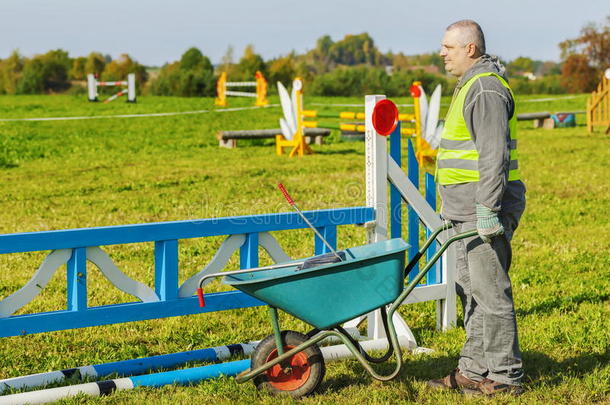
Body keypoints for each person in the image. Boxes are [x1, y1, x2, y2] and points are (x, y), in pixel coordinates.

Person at [426, 20, 526, 396]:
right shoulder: (471, 85)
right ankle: (473, 368)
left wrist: (487, 209)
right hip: (463, 210)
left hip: (481, 211)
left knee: (491, 293)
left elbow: (493, 156)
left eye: (448, 47)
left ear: (470, 49)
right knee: (473, 293)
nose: (441, 53)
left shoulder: (484, 88)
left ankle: (504, 375)